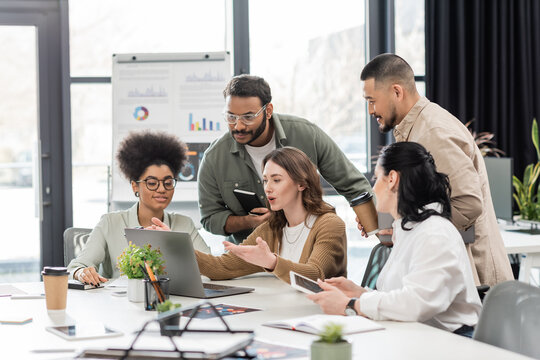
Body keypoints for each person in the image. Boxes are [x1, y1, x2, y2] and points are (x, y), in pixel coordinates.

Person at [359, 53, 513, 287]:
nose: (370, 110)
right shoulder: (415, 128)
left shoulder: (433, 132)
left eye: (372, 100)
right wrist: (389, 220)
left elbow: (468, 205)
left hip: (474, 277)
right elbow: (428, 203)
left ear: (397, 92)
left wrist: (403, 228)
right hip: (450, 270)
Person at [308, 142, 482, 337]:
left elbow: (416, 304)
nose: (373, 187)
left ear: (392, 179)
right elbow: (401, 297)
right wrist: (360, 293)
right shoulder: (409, 230)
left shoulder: (435, 233)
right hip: (420, 336)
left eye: (376, 178)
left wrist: (352, 305)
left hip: (452, 342)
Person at [197, 74, 374, 244]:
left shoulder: (306, 135)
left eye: (248, 117)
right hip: (251, 255)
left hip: (307, 248)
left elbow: (354, 185)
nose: (239, 126)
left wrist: (377, 223)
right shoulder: (214, 158)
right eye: (231, 117)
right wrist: (248, 222)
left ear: (268, 111)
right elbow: (210, 218)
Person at [153, 147, 347, 282]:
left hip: (321, 320)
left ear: (302, 184)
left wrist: (271, 262)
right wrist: (175, 244)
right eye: (265, 180)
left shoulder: (329, 224)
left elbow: (315, 275)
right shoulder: (272, 228)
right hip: (285, 313)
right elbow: (222, 267)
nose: (268, 188)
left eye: (276, 180)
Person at [67, 130, 210, 285]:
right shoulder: (110, 222)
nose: (162, 189)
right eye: (152, 183)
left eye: (168, 182)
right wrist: (81, 272)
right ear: (135, 186)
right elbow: (76, 267)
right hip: (119, 303)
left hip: (171, 303)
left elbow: (211, 267)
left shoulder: (184, 224)